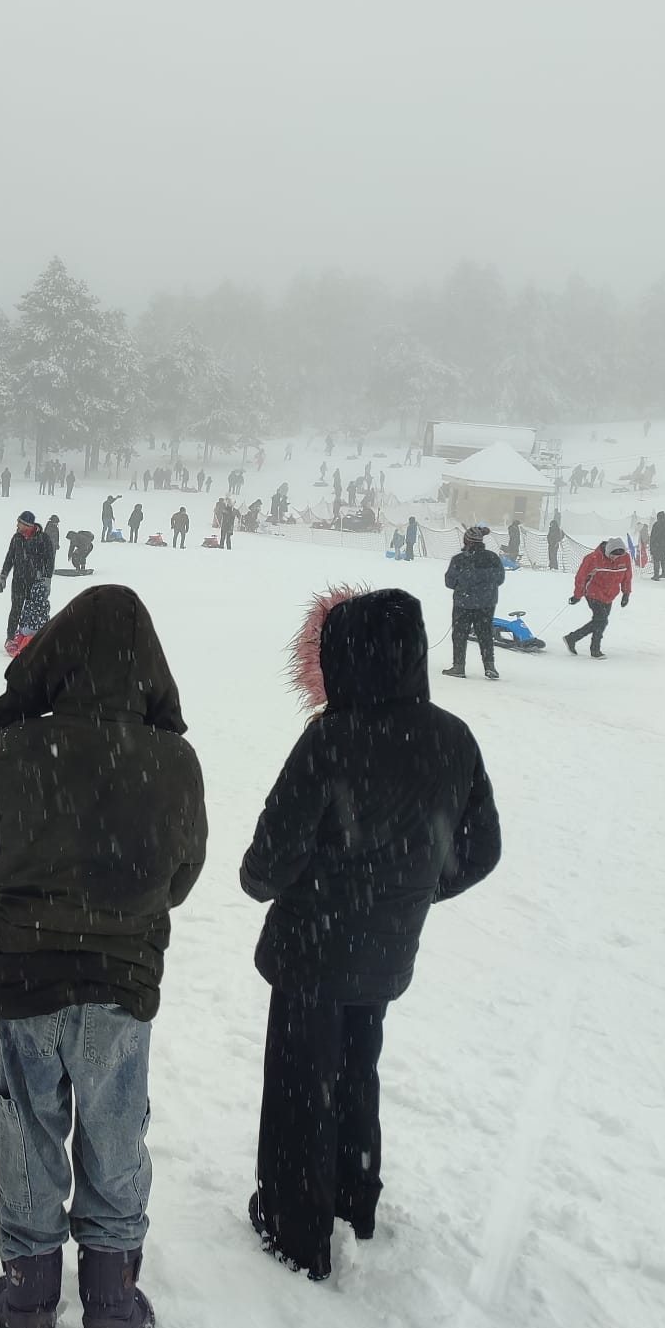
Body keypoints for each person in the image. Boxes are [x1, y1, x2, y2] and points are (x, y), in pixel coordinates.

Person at [0, 586, 207, 1328]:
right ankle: (110, 1301)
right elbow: (183, 872)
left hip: (28, 974)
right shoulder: (173, 759)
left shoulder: (18, 749)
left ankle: (30, 1298)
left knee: (27, 1126)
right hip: (121, 980)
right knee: (114, 1130)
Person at [241, 588, 500, 1281]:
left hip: (311, 951)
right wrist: (404, 894)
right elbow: (480, 851)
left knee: (302, 1086)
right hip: (384, 951)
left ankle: (295, 1229)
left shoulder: (331, 737)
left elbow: (269, 862)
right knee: (357, 1068)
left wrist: (306, 887)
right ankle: (355, 1198)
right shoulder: (452, 737)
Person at [442, 526, 504, 680]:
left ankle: (459, 666)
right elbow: (500, 579)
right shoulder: (493, 558)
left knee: (460, 635)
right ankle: (490, 666)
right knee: (486, 634)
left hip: (464, 603)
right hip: (486, 604)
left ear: (467, 540)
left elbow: (449, 582)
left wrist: (463, 586)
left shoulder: (459, 559)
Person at [565, 538, 632, 658]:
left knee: (600, 622)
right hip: (593, 592)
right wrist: (577, 595)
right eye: (613, 555)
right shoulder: (592, 559)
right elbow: (580, 577)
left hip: (610, 594)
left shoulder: (625, 558)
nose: (615, 558)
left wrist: (626, 593)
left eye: (618, 556)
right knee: (601, 620)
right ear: (608, 551)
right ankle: (594, 649)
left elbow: (627, 576)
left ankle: (572, 638)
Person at [0, 511, 52, 651]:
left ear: (27, 525)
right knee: (16, 609)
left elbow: (49, 560)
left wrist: (47, 579)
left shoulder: (43, 539)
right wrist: (3, 576)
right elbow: (9, 558)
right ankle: (10, 639)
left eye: (19, 523)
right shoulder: (17, 538)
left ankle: (32, 638)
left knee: (33, 611)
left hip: (35, 582)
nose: (17, 525)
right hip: (18, 580)